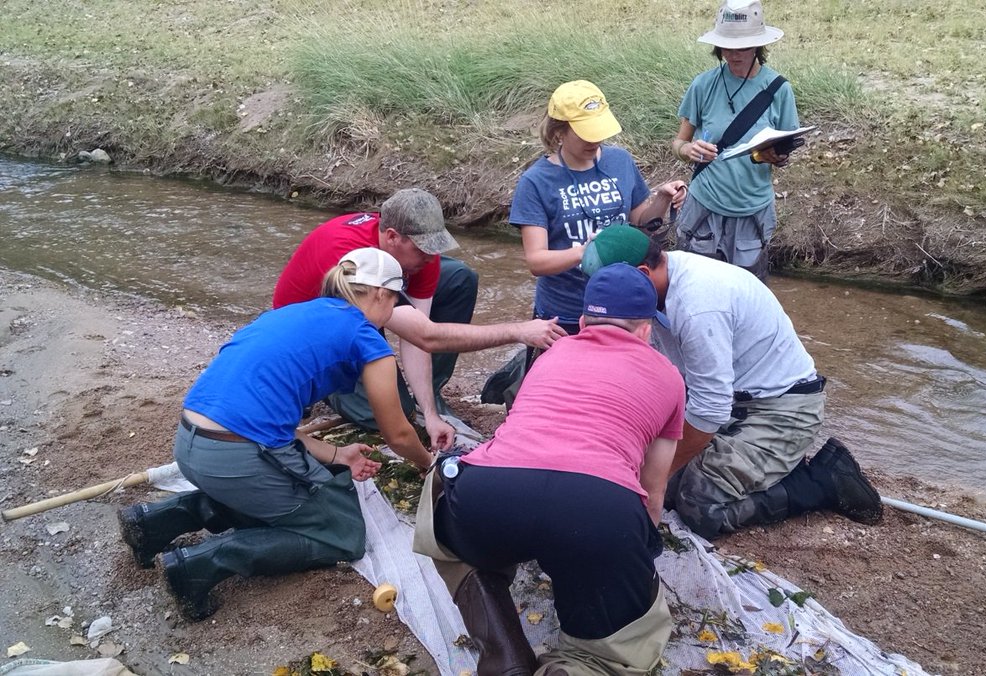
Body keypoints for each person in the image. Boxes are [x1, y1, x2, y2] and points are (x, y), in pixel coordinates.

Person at [118, 248, 436, 621]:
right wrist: (430, 465)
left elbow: (271, 424)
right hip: (232, 456)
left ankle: (152, 524)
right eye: (396, 298)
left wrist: (338, 455)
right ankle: (197, 565)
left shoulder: (298, 312)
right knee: (340, 532)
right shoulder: (366, 338)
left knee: (286, 492)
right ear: (382, 293)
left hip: (191, 441)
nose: (395, 308)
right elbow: (397, 434)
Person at [413, 264, 685, 676]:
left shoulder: (552, 353)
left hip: (491, 492)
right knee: (615, 651)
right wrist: (628, 557)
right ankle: (576, 667)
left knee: (441, 505)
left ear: (582, 322)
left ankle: (505, 656)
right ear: (646, 330)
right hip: (598, 509)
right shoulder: (669, 377)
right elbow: (652, 488)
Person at [581, 225, 883, 539]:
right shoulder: (651, 288)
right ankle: (758, 465)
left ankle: (821, 481)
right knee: (657, 483)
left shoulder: (699, 304)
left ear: (643, 273)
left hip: (782, 409)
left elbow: (710, 408)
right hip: (731, 401)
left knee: (697, 504)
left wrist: (658, 475)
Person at [274, 188, 566, 446]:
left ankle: (430, 394)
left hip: (370, 308)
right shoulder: (349, 254)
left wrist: (429, 412)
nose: (430, 257)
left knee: (459, 278)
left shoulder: (420, 251)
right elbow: (426, 335)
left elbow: (419, 336)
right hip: (318, 335)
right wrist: (518, 331)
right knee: (392, 415)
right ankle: (331, 389)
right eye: (423, 250)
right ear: (392, 237)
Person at [511, 80, 688, 336]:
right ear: (559, 131)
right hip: (566, 312)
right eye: (585, 132)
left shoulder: (620, 161)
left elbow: (641, 222)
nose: (595, 140)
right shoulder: (536, 182)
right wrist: (590, 252)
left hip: (622, 307)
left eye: (599, 130)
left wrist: (662, 199)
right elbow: (536, 261)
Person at [670, 0, 801, 281]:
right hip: (704, 206)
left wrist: (776, 157)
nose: (733, 54)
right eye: (726, 46)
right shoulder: (703, 85)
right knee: (696, 288)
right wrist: (688, 149)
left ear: (758, 45)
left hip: (753, 210)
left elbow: (786, 150)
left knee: (748, 296)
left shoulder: (779, 89)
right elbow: (678, 143)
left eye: (742, 46)